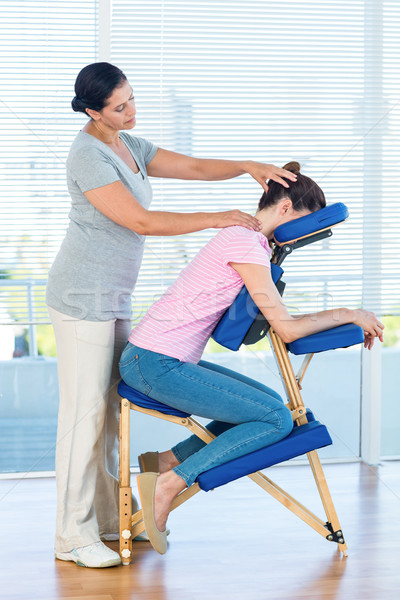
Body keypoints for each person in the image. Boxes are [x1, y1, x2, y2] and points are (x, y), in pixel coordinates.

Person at [46, 61, 297, 569]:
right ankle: (71, 536)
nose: (130, 111)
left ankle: (111, 520)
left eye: (132, 99)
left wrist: (247, 166)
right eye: (120, 107)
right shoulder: (88, 154)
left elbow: (195, 167)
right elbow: (140, 220)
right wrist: (217, 218)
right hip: (80, 298)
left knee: (108, 419)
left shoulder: (128, 144)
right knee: (84, 418)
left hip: (114, 298)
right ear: (93, 111)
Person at [119, 161, 384, 555]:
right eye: (307, 224)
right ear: (285, 209)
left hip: (159, 358)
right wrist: (350, 313)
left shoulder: (250, 242)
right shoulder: (244, 242)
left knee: (269, 407)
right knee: (274, 419)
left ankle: (164, 461)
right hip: (154, 362)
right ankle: (172, 482)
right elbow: (287, 328)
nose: (307, 237)